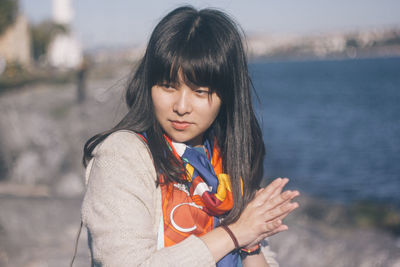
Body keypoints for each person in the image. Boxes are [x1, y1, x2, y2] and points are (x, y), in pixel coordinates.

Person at [80, 6, 299, 267]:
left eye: (200, 91)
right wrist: (234, 233)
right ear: (148, 84)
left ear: (225, 96)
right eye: (168, 86)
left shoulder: (225, 162)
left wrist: (250, 242)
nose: (181, 107)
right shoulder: (123, 155)